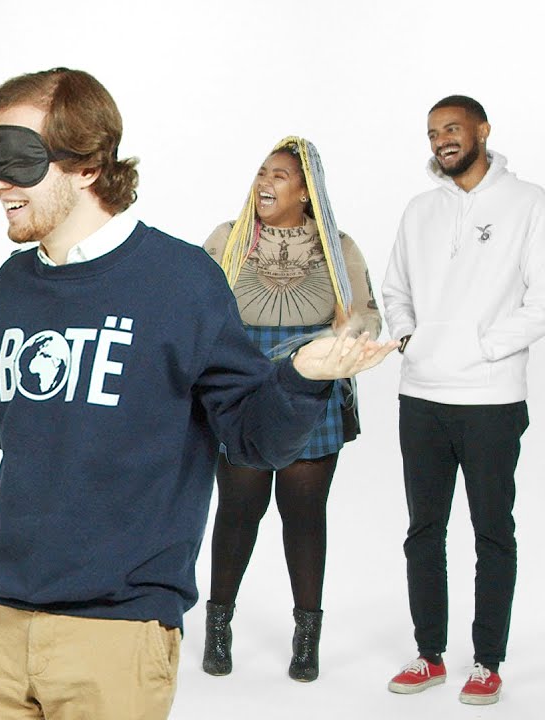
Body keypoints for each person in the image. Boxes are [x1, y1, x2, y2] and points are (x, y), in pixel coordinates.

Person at [0, 68, 395, 720]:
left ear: (87, 166)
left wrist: (302, 377)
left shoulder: (182, 281)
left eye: (17, 157)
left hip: (115, 636)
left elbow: (253, 438)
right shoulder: (15, 285)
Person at [381, 95, 545, 706]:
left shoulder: (528, 203)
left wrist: (482, 348)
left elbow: (541, 300)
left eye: (452, 128)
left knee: (491, 531)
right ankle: (429, 655)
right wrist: (410, 337)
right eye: (432, 133)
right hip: (421, 395)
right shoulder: (420, 210)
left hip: (491, 399)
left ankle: (487, 662)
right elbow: (395, 289)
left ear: (483, 130)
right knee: (423, 530)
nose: (442, 140)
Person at [199, 137, 382, 682]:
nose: (265, 182)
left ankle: (307, 636)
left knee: (304, 515)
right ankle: (218, 625)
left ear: (306, 192)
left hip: (312, 383)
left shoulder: (337, 247)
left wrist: (350, 334)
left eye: (279, 176)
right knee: (239, 509)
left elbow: (366, 315)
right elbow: (194, 308)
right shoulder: (228, 239)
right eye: (262, 172)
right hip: (243, 384)